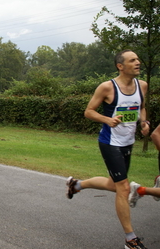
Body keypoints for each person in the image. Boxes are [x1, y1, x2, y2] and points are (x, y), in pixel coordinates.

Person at [65, 50, 149, 249]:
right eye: (132, 60)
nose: (138, 62)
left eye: (137, 59)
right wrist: (107, 119)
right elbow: (89, 111)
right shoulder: (107, 87)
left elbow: (142, 107)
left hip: (128, 142)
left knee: (115, 184)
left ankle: (77, 185)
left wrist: (144, 122)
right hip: (110, 142)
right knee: (123, 188)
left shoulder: (142, 85)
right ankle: (130, 239)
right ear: (120, 66)